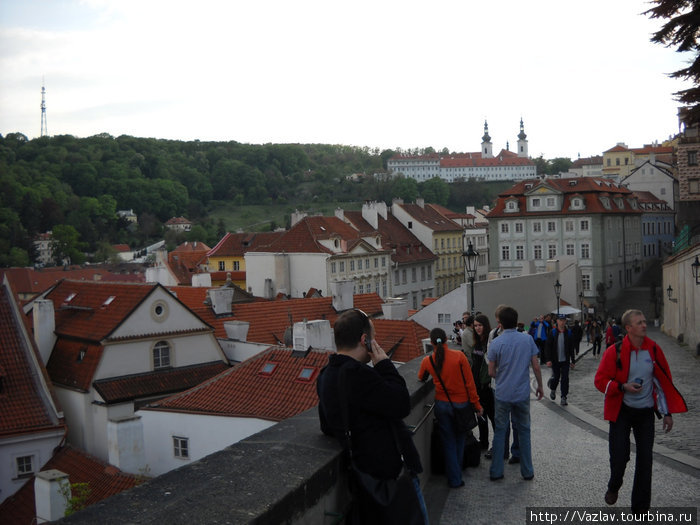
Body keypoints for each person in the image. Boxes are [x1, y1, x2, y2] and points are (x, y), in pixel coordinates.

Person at [317, 309, 428, 524]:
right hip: (387, 475)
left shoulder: (326, 375)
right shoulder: (360, 374)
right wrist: (384, 365)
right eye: (373, 337)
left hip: (361, 475)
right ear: (364, 340)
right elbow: (401, 403)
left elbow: (327, 424)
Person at [594, 309, 687, 513]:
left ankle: (640, 508)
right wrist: (622, 387)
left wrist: (667, 412)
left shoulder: (653, 350)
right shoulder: (614, 351)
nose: (644, 325)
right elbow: (600, 381)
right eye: (639, 323)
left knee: (645, 459)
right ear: (628, 328)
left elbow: (663, 382)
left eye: (645, 321)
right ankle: (614, 485)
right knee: (620, 457)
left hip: (645, 412)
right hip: (621, 411)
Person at [419, 327, 483, 488]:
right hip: (461, 404)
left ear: (432, 342)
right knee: (460, 439)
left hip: (442, 405)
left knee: (448, 442)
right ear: (446, 340)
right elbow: (470, 384)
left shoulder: (428, 360)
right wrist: (476, 405)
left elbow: (421, 377)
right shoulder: (459, 356)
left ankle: (454, 478)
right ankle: (457, 473)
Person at [487, 305, 544, 481]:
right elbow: (535, 365)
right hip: (522, 393)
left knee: (500, 432)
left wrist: (502, 376)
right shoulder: (527, 340)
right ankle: (527, 471)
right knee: (524, 431)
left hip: (503, 393)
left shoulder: (496, 343)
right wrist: (540, 386)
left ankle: (496, 471)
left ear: (500, 323)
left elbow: (490, 372)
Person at [472, 315, 494, 450]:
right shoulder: (477, 343)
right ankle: (483, 442)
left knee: (493, 416)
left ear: (485, 326)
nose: (477, 328)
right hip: (477, 386)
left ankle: (498, 445)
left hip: (488, 386)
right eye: (475, 326)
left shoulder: (490, 343)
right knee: (481, 416)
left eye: (480, 325)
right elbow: (475, 365)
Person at [544, 315, 576, 406]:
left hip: (565, 360)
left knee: (565, 379)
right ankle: (553, 389)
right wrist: (548, 359)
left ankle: (563, 397)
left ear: (565, 321)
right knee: (556, 378)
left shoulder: (569, 333)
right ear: (557, 321)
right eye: (560, 320)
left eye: (563, 320)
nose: (562, 322)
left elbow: (571, 348)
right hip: (555, 360)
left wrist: (573, 361)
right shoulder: (553, 332)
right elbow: (548, 347)